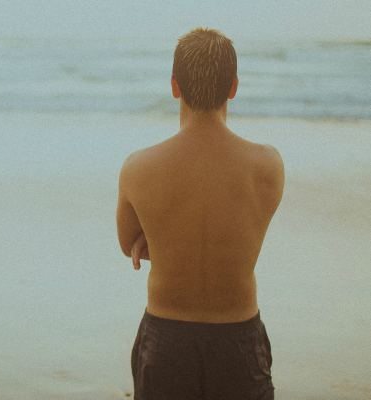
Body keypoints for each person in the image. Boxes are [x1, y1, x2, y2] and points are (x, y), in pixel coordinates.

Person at [116, 28, 284, 399]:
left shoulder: (139, 167)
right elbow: (246, 223)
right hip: (238, 336)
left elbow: (128, 241)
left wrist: (161, 235)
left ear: (175, 86)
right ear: (234, 87)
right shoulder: (267, 165)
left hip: (166, 335)